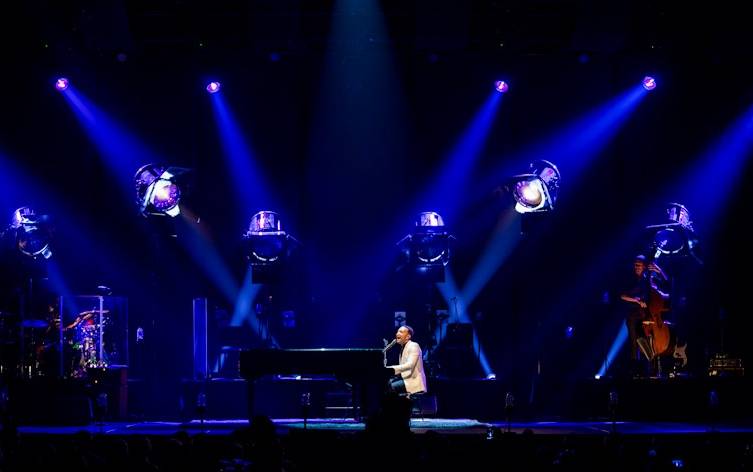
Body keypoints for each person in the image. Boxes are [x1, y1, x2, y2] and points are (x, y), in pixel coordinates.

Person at [620, 255, 669, 377]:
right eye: (635, 265)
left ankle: (652, 365)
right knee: (634, 340)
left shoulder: (649, 279)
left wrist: (660, 271)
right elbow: (622, 296)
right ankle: (635, 364)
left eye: (639, 265)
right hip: (636, 315)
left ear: (645, 266)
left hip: (650, 315)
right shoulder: (632, 280)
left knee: (644, 341)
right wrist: (636, 300)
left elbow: (667, 286)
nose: (636, 267)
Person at [386, 325, 427, 397]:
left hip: (413, 382)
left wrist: (390, 369)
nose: (397, 334)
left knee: (390, 387)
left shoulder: (414, 345)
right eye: (397, 331)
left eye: (401, 332)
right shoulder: (403, 348)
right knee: (387, 384)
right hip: (407, 380)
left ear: (408, 337)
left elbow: (410, 365)